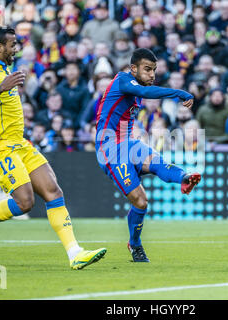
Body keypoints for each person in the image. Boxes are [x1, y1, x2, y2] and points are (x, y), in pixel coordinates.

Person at [0, 26, 106, 270]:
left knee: (53, 191)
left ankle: (75, 253)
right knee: (25, 202)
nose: (15, 48)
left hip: (20, 143)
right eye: (12, 44)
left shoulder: (2, 68)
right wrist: (1, 88)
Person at [95, 48, 201, 262]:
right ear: (133, 69)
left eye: (154, 70)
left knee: (157, 162)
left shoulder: (136, 88)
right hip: (110, 150)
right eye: (147, 69)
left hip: (128, 144)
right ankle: (134, 244)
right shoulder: (123, 80)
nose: (152, 75)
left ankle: (184, 178)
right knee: (141, 202)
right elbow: (146, 93)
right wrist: (178, 93)